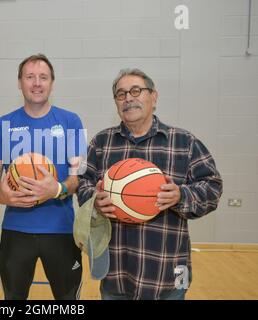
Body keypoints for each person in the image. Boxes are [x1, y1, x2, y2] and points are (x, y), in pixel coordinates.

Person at [77, 68, 223, 300]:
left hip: (168, 272)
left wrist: (181, 196)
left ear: (153, 97)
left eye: (136, 90)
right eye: (121, 94)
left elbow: (213, 187)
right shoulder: (101, 142)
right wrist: (94, 200)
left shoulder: (183, 142)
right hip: (116, 274)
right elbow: (82, 181)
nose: (128, 98)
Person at [0, 54, 86, 300]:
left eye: (43, 77)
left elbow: (80, 178)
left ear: (52, 82)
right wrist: (0, 194)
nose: (37, 83)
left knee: (68, 301)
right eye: (30, 77)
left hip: (61, 230)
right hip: (16, 229)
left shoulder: (70, 121)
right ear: (19, 82)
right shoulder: (3, 124)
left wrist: (57, 189)